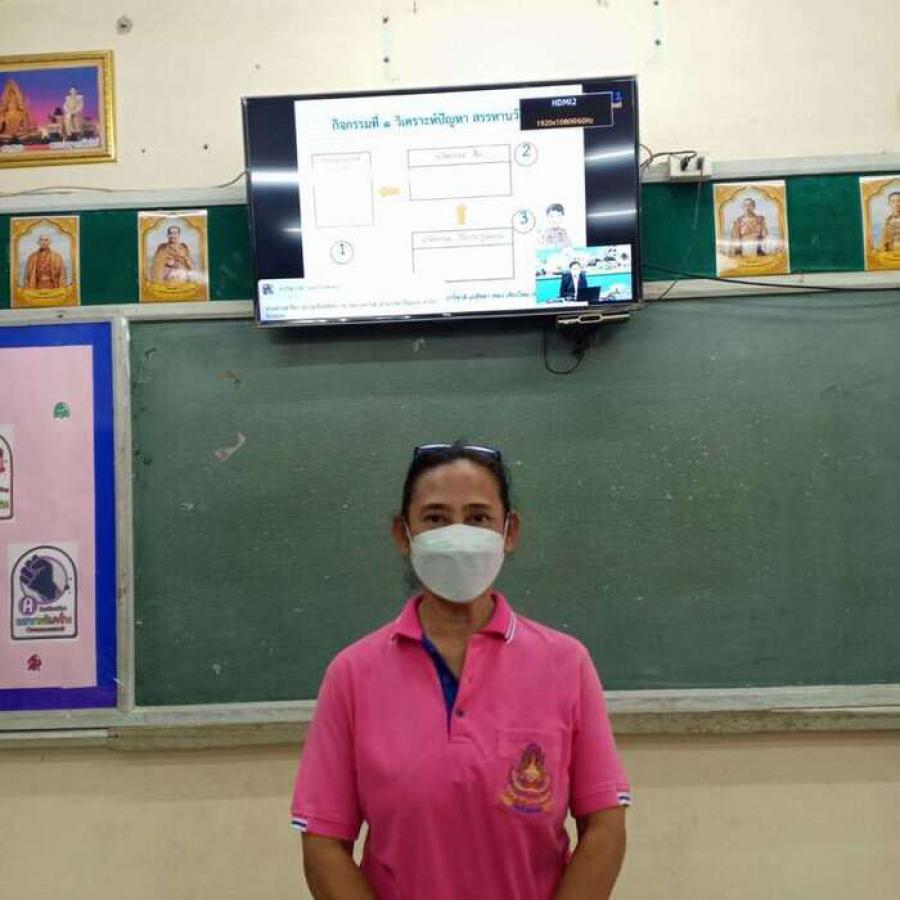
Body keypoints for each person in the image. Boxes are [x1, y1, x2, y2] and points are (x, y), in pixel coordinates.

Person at [292, 442, 630, 900]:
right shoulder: (352, 674)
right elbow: (323, 842)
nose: (457, 535)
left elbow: (605, 825)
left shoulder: (566, 663)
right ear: (402, 534)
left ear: (510, 531)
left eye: (477, 517)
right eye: (435, 518)